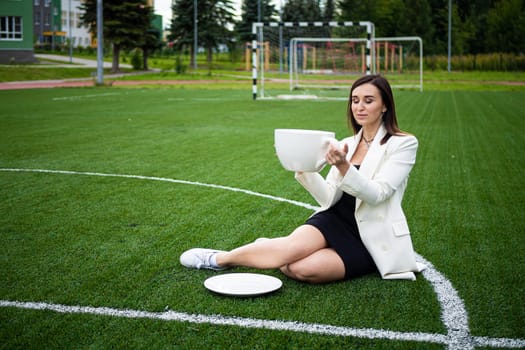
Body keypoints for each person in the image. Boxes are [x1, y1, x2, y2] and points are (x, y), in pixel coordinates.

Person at [180, 74, 425, 283]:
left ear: (384, 106)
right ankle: (218, 259)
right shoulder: (347, 143)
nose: (359, 107)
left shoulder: (403, 143)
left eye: (368, 101)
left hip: (371, 234)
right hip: (335, 217)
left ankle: (267, 247)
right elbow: (329, 197)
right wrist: (301, 164)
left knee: (298, 268)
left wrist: (343, 165)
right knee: (287, 252)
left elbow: (377, 194)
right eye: (355, 100)